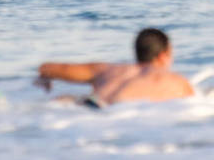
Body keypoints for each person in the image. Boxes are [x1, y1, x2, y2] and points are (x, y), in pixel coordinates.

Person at [35, 28, 194, 107]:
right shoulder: (176, 81)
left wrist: (45, 77)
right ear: (163, 55)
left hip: (91, 105)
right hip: (117, 115)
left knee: (68, 100)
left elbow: (46, 68)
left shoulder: (107, 69)